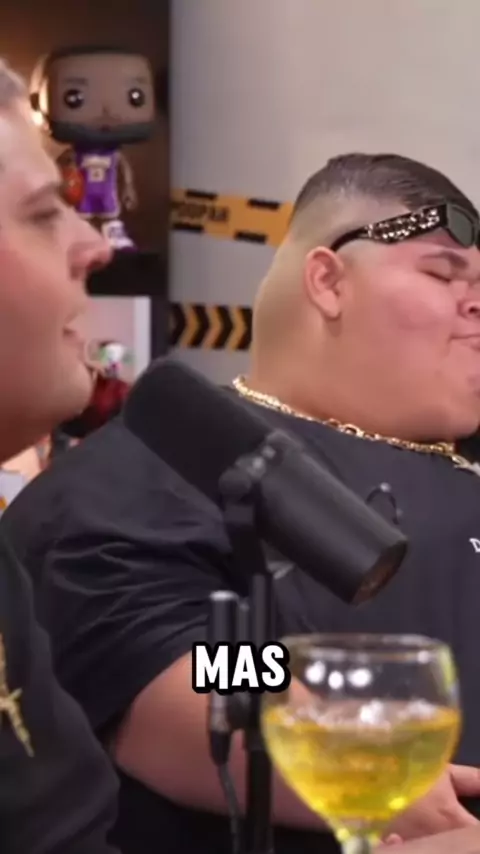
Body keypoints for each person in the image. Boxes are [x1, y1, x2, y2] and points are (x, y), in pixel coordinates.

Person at [4, 153, 480, 854]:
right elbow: (196, 665)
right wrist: (379, 756)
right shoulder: (182, 457)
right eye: (443, 274)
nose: (475, 302)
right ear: (328, 282)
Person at [0, 57, 121, 852]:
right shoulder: (135, 488)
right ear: (327, 283)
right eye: (45, 213)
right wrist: (328, 688)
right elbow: (179, 676)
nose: (94, 245)